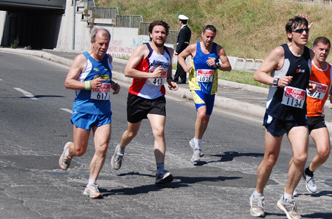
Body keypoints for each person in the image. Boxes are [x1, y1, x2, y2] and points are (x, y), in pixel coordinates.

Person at [249, 16, 315, 219]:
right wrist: (276, 81)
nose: (304, 34)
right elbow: (258, 74)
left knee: (301, 156)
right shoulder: (280, 52)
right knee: (270, 159)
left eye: (306, 31)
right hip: (277, 112)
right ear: (289, 34)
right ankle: (257, 195)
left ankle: (287, 198)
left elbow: (303, 78)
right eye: (299, 31)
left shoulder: (310, 54)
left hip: (297, 114)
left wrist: (308, 86)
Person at [110, 20, 178, 185]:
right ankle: (120, 149)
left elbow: (167, 69)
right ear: (150, 34)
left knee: (159, 132)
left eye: (162, 32)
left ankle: (160, 171)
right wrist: (150, 75)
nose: (160, 35)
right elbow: (127, 71)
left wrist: (169, 79)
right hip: (138, 97)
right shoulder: (143, 49)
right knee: (131, 133)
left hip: (157, 98)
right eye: (156, 32)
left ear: (166, 35)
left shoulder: (169, 51)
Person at [59, 28, 120, 199]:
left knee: (102, 147)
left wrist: (113, 85)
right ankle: (69, 150)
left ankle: (91, 184)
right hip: (84, 110)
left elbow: (105, 79)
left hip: (103, 112)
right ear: (92, 42)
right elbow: (68, 82)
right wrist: (88, 85)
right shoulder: (82, 59)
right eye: (100, 43)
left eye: (106, 44)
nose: (103, 47)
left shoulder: (108, 59)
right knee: (80, 150)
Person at [177, 24, 231, 163]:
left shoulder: (218, 49)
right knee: (201, 113)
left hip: (210, 87)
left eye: (212, 37)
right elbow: (180, 56)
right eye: (207, 36)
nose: (209, 39)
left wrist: (217, 63)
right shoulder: (194, 48)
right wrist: (185, 67)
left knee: (206, 118)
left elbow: (228, 67)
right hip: (196, 85)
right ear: (202, 35)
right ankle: (197, 149)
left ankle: (195, 140)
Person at [302, 36, 332, 194]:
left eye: (326, 50)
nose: (324, 52)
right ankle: (290, 186)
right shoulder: (306, 66)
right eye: (321, 49)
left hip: (317, 117)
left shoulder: (331, 70)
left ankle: (308, 173)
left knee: (324, 151)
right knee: (299, 155)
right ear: (314, 49)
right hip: (301, 116)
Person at [173, 14, 191, 84]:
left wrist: (177, 50)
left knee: (181, 63)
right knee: (180, 63)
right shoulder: (188, 29)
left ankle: (182, 78)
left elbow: (181, 41)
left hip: (182, 48)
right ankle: (176, 78)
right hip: (185, 47)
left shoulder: (183, 30)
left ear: (181, 22)